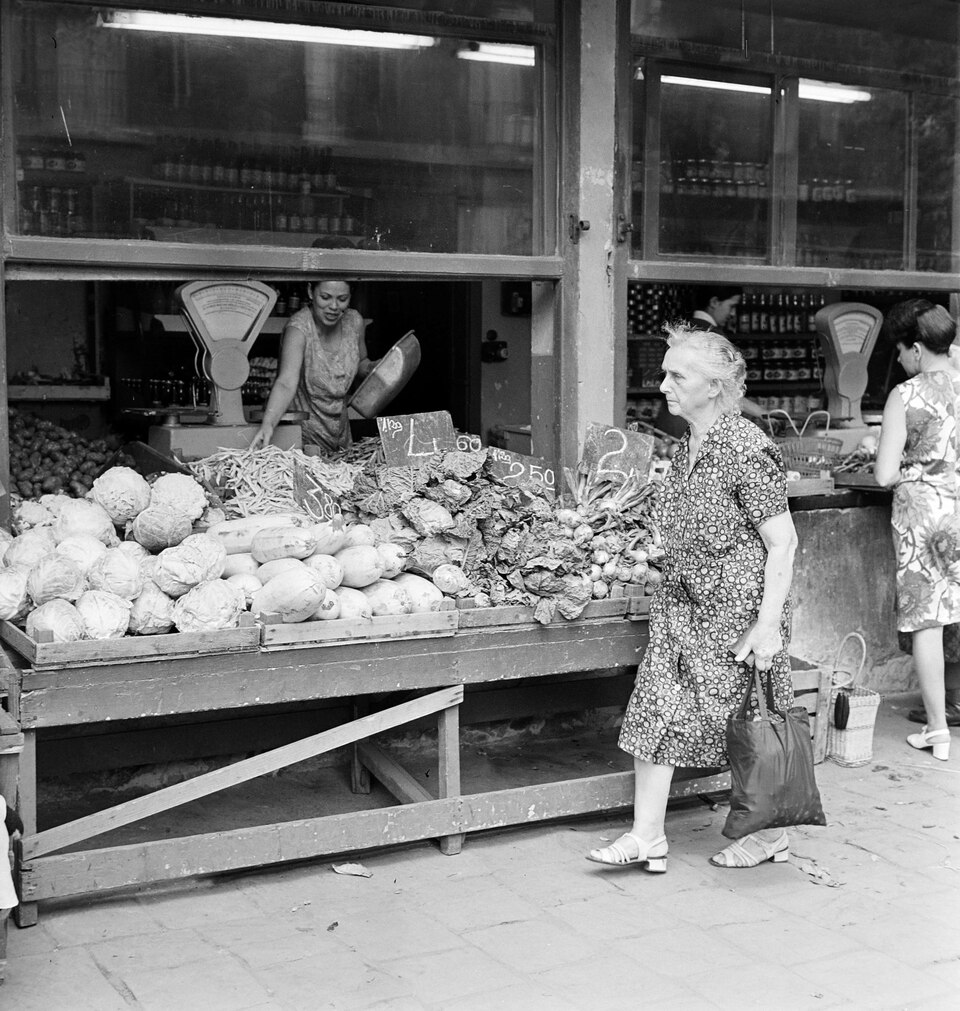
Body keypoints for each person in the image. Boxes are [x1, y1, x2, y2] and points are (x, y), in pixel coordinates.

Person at [587, 325, 799, 870]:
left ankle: (770, 833)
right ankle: (646, 836)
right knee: (653, 711)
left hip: (738, 611)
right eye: (664, 373)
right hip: (682, 606)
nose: (663, 385)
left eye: (676, 375)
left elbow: (783, 541)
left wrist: (768, 625)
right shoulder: (685, 447)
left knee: (749, 719)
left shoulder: (747, 447)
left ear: (715, 386)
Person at [874, 300, 960, 760]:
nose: (902, 360)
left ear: (917, 347)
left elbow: (885, 474)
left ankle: (938, 731)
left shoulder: (906, 397)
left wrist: (907, 460)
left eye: (903, 350)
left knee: (927, 622)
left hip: (923, 517)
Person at [249, 279, 376, 455]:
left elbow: (361, 362)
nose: (333, 306)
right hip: (305, 441)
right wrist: (268, 424)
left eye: (342, 299)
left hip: (342, 437)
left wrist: (376, 368)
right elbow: (286, 382)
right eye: (325, 297)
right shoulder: (299, 329)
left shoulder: (354, 321)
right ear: (310, 292)